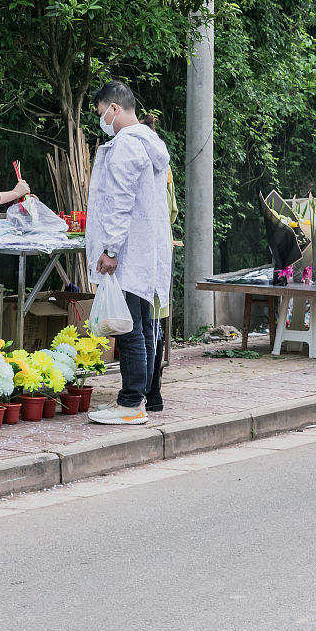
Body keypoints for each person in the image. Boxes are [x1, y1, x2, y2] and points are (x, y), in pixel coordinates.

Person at [85, 81, 172, 425]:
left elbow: (119, 202)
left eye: (100, 112)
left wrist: (110, 249)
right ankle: (146, 397)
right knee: (144, 325)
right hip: (144, 250)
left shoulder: (125, 147)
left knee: (130, 328)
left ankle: (130, 402)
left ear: (114, 108)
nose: (101, 120)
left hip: (126, 251)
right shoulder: (150, 143)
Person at [139, 113, 178, 413]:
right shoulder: (164, 167)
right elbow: (173, 211)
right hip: (162, 250)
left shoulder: (140, 166)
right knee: (156, 324)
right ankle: (154, 393)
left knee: (142, 326)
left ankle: (144, 392)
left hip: (143, 254)